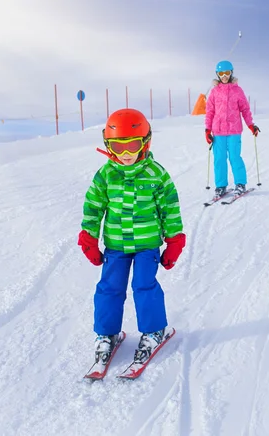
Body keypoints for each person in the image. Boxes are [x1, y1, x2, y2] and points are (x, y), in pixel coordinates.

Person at [77, 108, 185, 366]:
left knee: (143, 285)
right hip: (116, 245)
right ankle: (107, 334)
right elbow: (93, 207)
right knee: (109, 288)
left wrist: (174, 240)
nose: (126, 154)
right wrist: (89, 237)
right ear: (108, 144)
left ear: (145, 142)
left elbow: (170, 208)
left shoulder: (156, 174)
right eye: (118, 146)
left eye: (132, 145)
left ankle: (154, 330)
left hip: (147, 245)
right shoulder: (105, 175)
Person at [205, 60, 260, 198]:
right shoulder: (214, 92)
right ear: (217, 74)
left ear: (231, 73)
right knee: (219, 159)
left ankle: (240, 183)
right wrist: (207, 129)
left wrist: (250, 125)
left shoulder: (237, 90)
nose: (224, 76)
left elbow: (245, 109)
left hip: (234, 130)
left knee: (235, 157)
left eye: (227, 73)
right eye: (221, 73)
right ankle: (221, 186)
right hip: (218, 131)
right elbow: (210, 111)